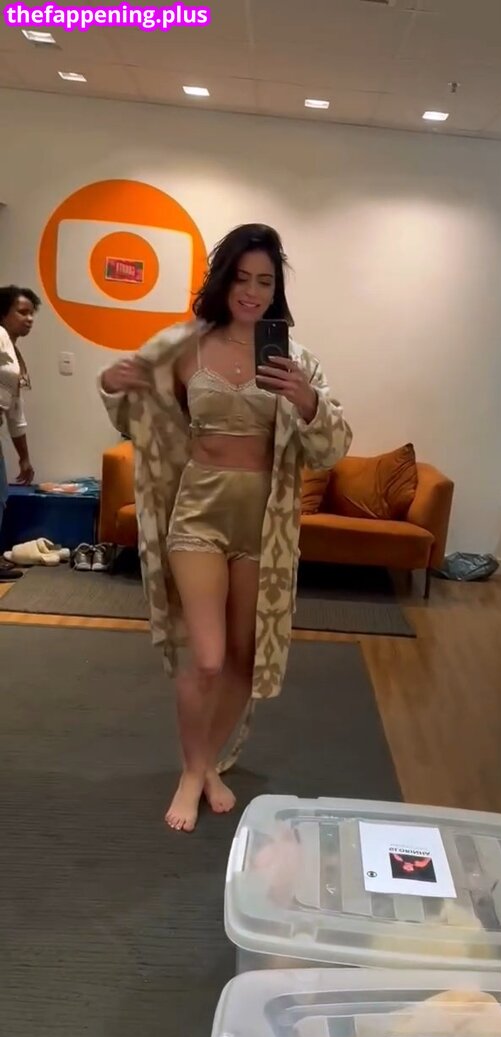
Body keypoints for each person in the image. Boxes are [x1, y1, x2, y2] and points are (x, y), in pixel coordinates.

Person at [99, 224, 352, 832]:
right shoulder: (184, 345)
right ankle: (191, 773)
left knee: (242, 656)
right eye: (242, 278)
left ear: (276, 289)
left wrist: (309, 401)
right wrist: (110, 383)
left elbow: (332, 446)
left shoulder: (295, 359)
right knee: (208, 658)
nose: (252, 292)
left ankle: (206, 762)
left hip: (265, 524)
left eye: (265, 281)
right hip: (199, 513)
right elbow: (134, 410)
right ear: (223, 280)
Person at [0, 286, 40, 582]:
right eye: (22, 312)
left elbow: (15, 411)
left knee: (1, 497)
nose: (29, 319)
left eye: (31, 313)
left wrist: (24, 458)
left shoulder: (13, 352)